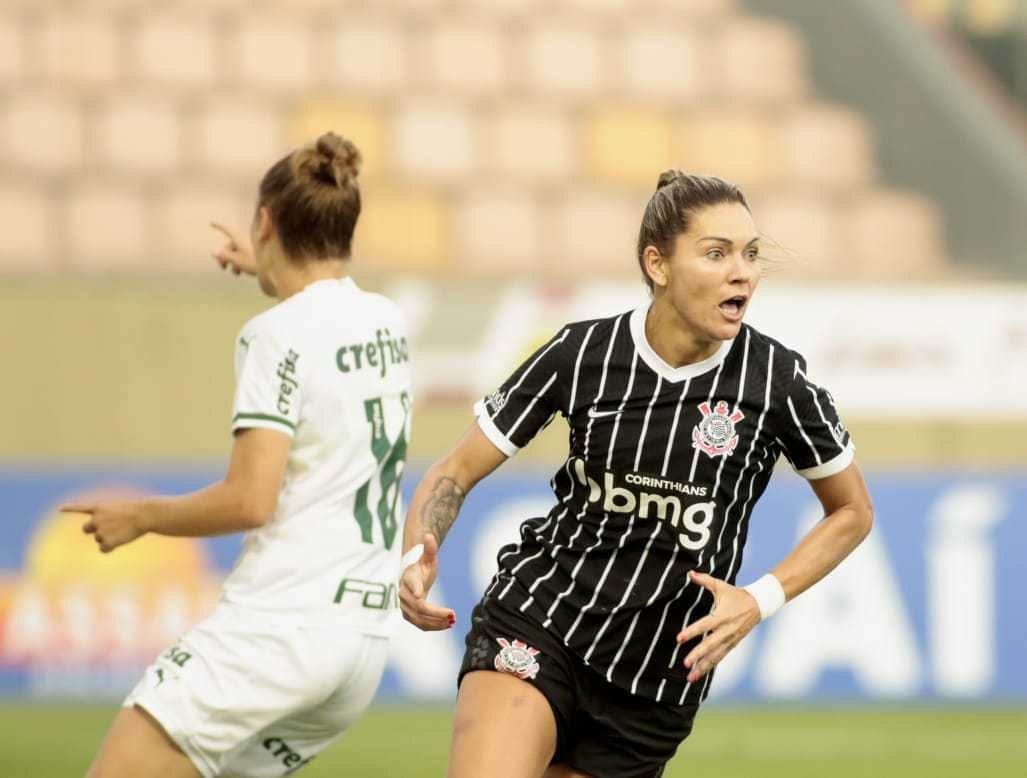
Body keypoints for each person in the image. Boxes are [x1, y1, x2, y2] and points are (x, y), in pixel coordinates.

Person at [398, 171, 874, 778]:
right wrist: (416, 552)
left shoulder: (777, 381)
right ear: (658, 264)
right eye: (716, 253)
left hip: (656, 681)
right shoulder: (580, 354)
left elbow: (852, 511)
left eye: (751, 254)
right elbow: (455, 471)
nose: (743, 272)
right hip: (545, 620)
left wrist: (758, 600)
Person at [63, 132, 413, 778]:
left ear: (264, 221)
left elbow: (250, 499)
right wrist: (269, 269)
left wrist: (140, 517)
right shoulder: (387, 321)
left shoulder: (275, 335)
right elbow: (325, 314)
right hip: (358, 650)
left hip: (280, 628)